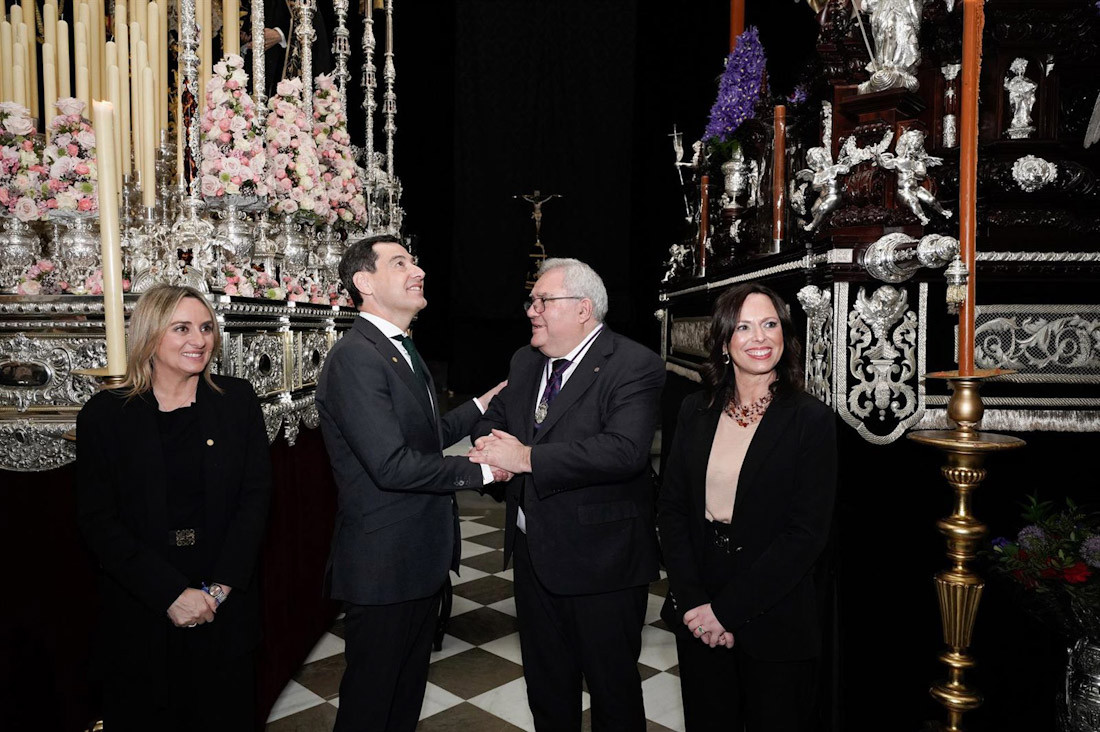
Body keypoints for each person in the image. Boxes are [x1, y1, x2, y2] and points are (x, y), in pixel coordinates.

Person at [316, 234, 507, 732]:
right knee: (372, 704)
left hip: (415, 557)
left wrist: (478, 409)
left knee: (403, 699)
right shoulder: (356, 356)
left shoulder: (399, 348)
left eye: (415, 260)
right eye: (400, 262)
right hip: (384, 563)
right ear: (364, 283)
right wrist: (485, 470)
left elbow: (424, 438)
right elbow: (392, 465)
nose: (417, 270)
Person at [469, 258, 665, 731]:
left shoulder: (634, 364)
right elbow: (492, 418)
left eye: (542, 301)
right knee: (547, 688)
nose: (531, 310)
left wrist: (527, 459)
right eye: (531, 301)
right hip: (534, 557)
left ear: (583, 308)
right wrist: (489, 447)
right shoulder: (525, 360)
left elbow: (624, 451)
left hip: (603, 564)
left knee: (612, 690)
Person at [76, 285, 272, 731]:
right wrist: (169, 593)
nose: (198, 340)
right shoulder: (105, 415)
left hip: (224, 606)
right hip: (141, 608)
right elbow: (98, 521)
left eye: (205, 328)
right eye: (181, 328)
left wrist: (220, 589)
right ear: (150, 335)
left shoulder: (236, 401)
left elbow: (255, 498)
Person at [656, 283, 837, 731]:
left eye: (770, 324)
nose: (760, 338)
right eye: (744, 327)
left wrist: (726, 612)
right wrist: (696, 604)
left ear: (785, 336)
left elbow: (805, 535)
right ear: (723, 342)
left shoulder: (811, 420)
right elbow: (672, 510)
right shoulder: (694, 411)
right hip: (698, 599)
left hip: (774, 607)